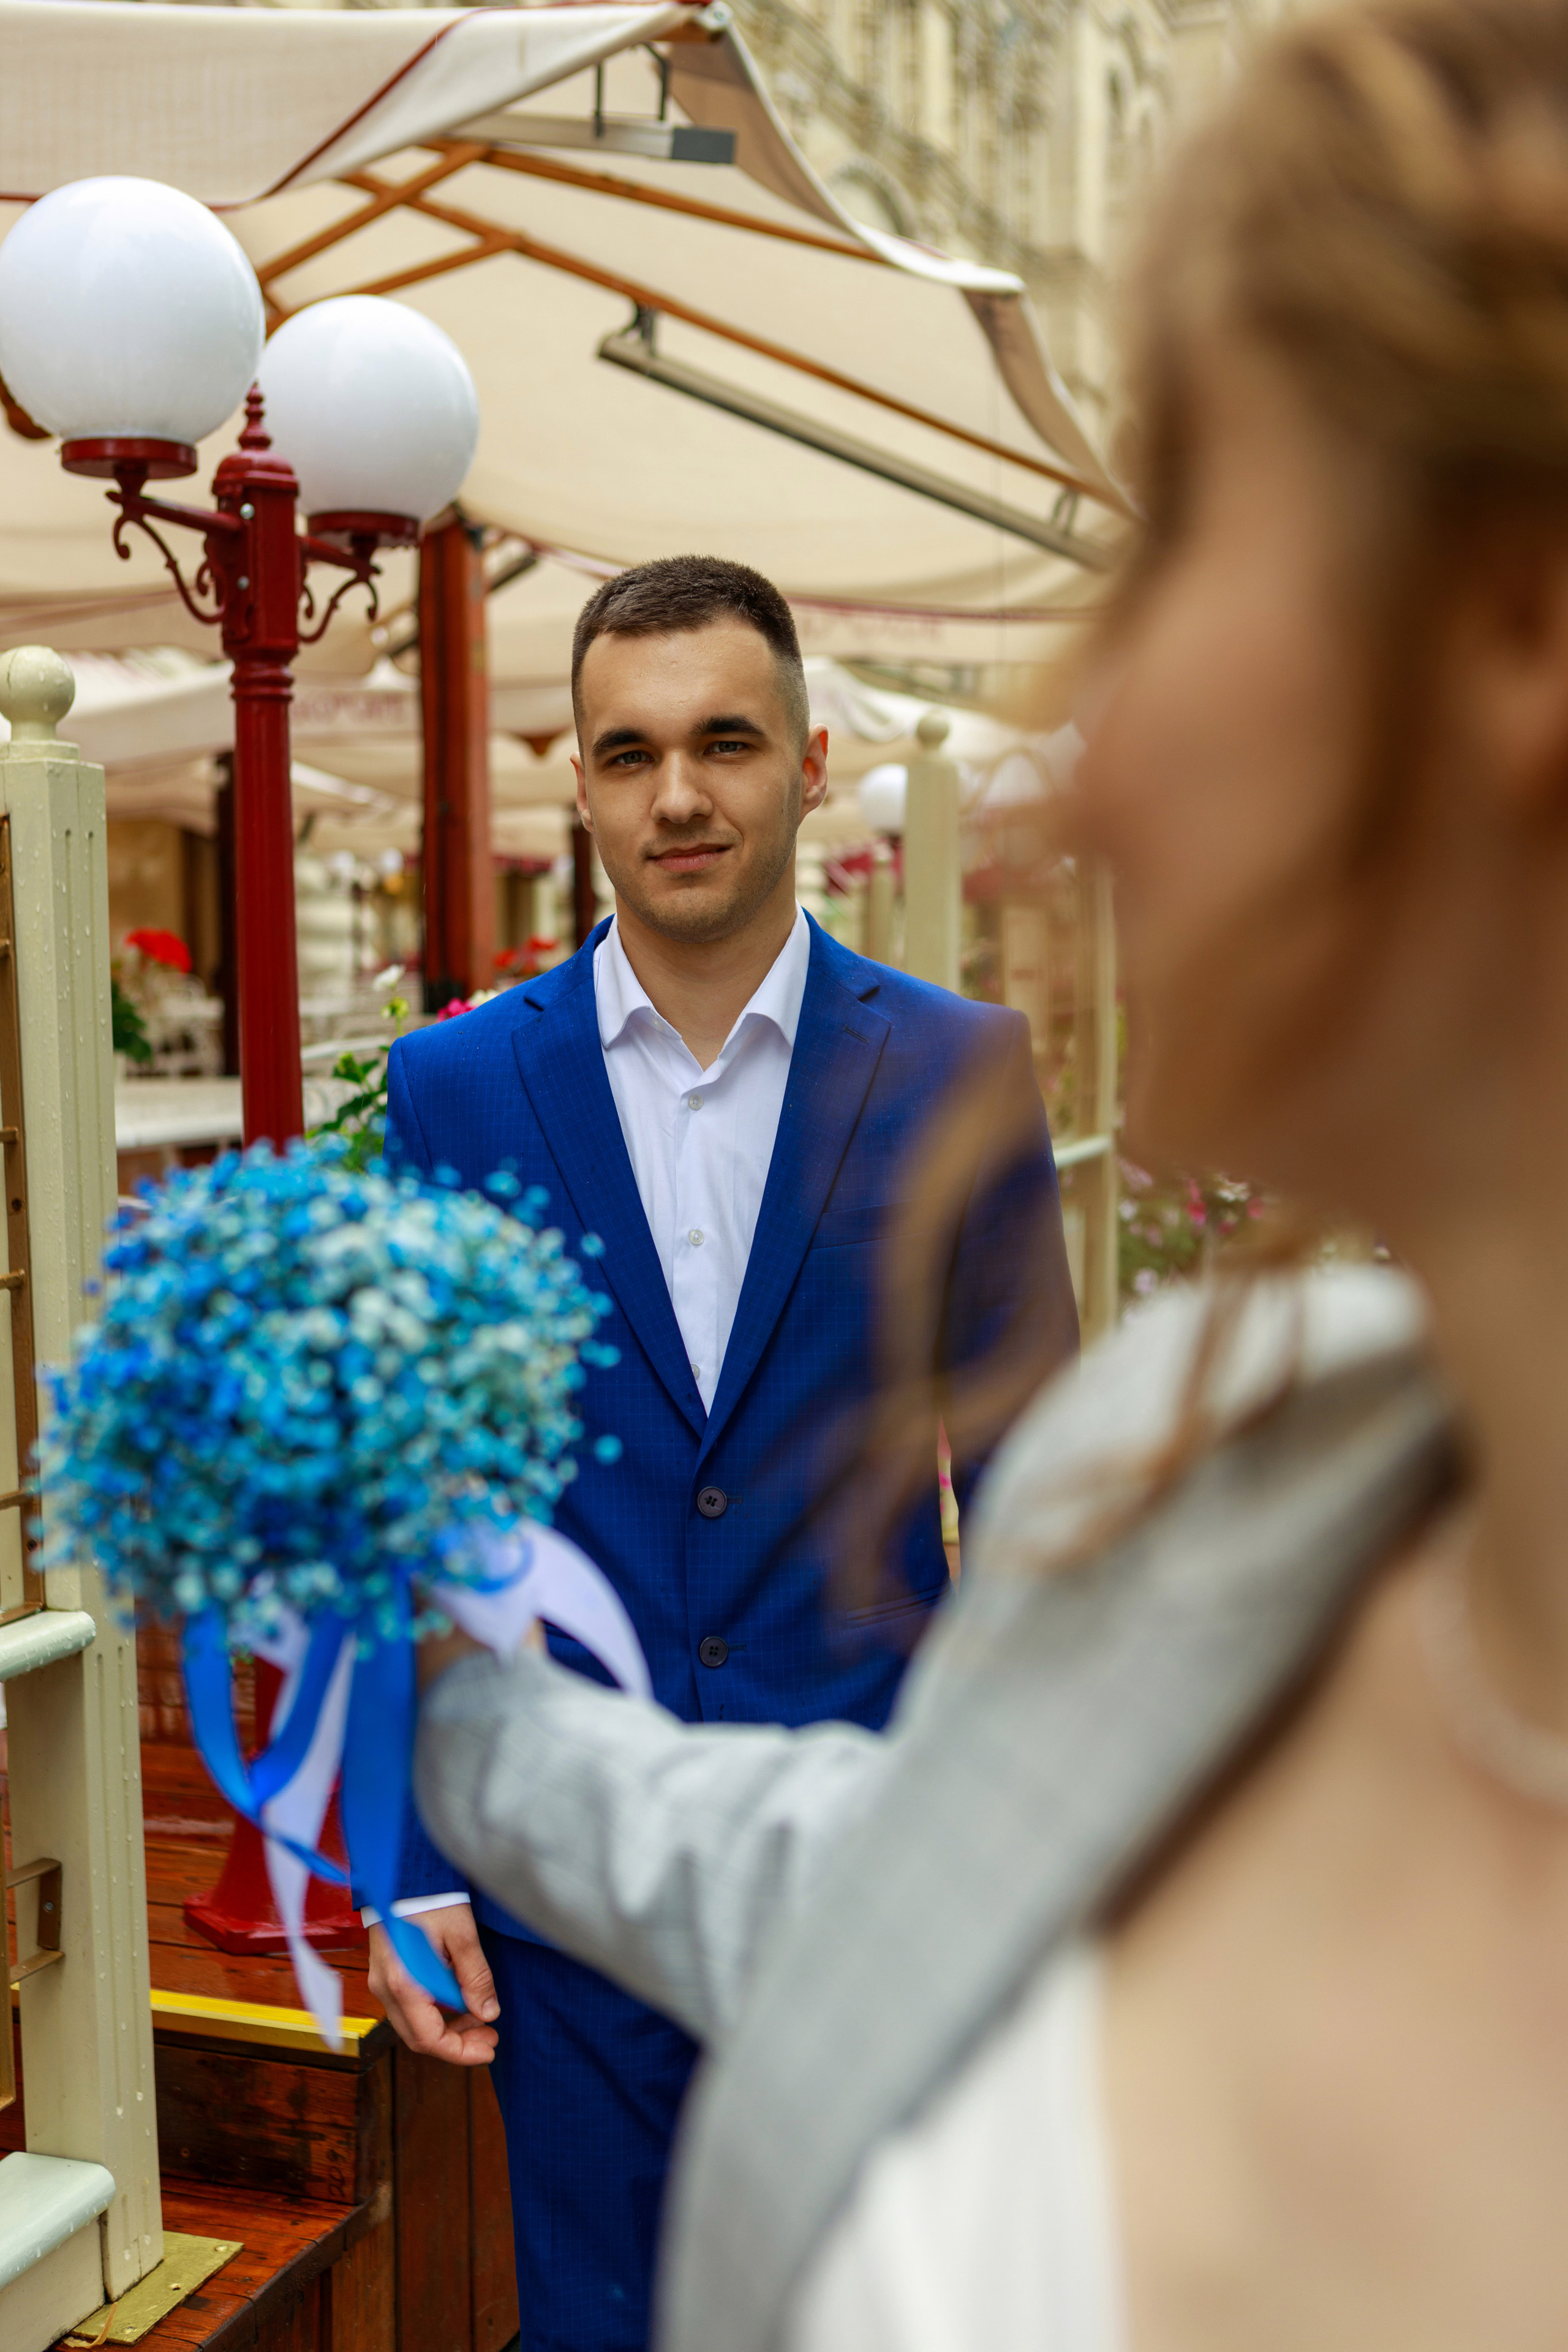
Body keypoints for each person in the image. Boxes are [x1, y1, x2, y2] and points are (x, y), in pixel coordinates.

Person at [405, 3, 1568, 2345]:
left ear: (1514, 624)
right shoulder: (1238, 1472)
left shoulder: (959, 1081)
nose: (1080, 755)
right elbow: (882, 1861)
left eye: (1185, 536)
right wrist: (411, 1758)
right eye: (626, 754)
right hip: (592, 1965)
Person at [367, 554, 1079, 2351]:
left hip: (868, 1860)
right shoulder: (453, 1089)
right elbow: (404, 1503)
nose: (678, 793)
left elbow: (1037, 1498)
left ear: (810, 762)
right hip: (566, 1880)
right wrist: (404, 1860)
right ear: (584, 784)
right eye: (630, 752)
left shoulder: (959, 1072)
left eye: (725, 742)